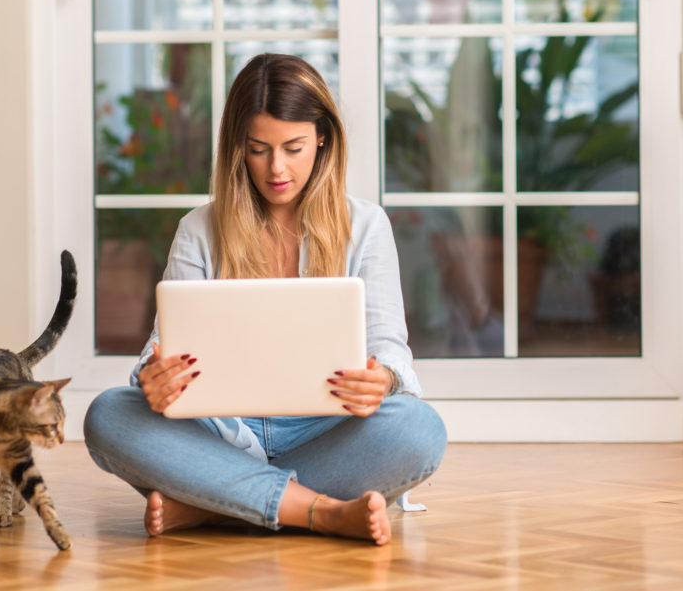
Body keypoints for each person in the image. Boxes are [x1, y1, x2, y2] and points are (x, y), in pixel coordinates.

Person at [83, 53, 447, 546]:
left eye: (293, 147)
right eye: (258, 149)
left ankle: (213, 505)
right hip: (217, 427)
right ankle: (319, 512)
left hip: (324, 428)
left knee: (419, 431)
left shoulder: (366, 225)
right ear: (238, 148)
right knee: (109, 415)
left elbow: (390, 348)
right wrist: (155, 375)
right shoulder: (199, 229)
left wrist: (383, 378)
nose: (277, 168)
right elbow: (160, 346)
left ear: (323, 137)